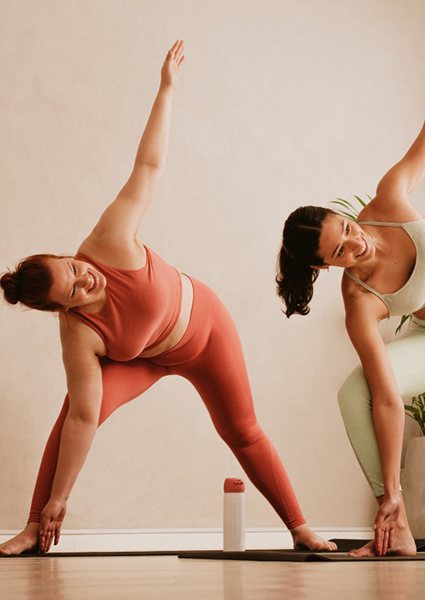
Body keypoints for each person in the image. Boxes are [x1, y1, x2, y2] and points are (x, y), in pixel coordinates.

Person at [0, 41, 335, 556]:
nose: (84, 278)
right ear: (65, 309)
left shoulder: (106, 241)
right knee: (75, 410)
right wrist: (60, 499)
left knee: (241, 430)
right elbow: (86, 418)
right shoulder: (79, 336)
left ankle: (300, 527)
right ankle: (32, 525)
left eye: (73, 268)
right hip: (151, 359)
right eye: (74, 289)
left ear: (68, 255)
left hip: (205, 330)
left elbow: (148, 167)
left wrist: (167, 90)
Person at [276, 119, 425, 557]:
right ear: (325, 267)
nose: (355, 243)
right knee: (354, 392)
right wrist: (393, 489)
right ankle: (393, 518)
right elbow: (386, 397)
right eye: (340, 251)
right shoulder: (360, 300)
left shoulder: (389, 199)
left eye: (345, 228)